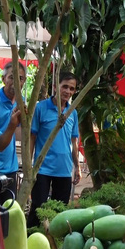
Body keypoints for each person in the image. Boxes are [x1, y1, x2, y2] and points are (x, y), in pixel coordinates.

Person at [27, 72, 81, 228]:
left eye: (72, 89)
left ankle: (55, 247)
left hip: (64, 169)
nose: (68, 92)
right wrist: (30, 167)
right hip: (42, 169)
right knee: (38, 210)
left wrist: (77, 167)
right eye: (65, 86)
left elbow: (74, 141)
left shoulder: (73, 113)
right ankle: (31, 240)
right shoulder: (41, 108)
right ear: (55, 86)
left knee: (60, 213)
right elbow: (32, 138)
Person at [0, 62, 27, 203]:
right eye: (11, 78)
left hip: (10, 168)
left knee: (8, 211)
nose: (16, 82)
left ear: (24, 81)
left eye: (20, 78)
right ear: (3, 79)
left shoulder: (21, 102)